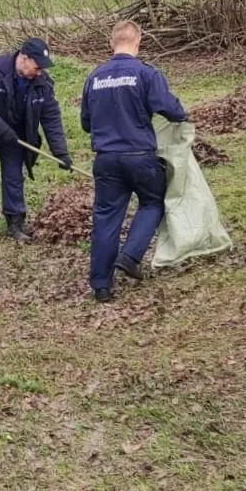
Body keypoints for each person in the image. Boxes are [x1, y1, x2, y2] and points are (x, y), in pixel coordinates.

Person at [80, 21, 187, 301]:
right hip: (140, 157)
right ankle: (130, 256)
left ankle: (101, 285)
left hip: (106, 159)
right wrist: (181, 117)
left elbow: (86, 123)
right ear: (138, 42)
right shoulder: (145, 74)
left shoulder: (94, 77)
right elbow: (169, 108)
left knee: (105, 216)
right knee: (153, 202)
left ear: (112, 43)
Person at [0, 37, 72, 243]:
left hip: (16, 134)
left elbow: (51, 116)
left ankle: (15, 222)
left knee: (13, 176)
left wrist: (61, 152)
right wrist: (2, 131)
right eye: (36, 67)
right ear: (24, 58)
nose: (39, 72)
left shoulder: (42, 83)